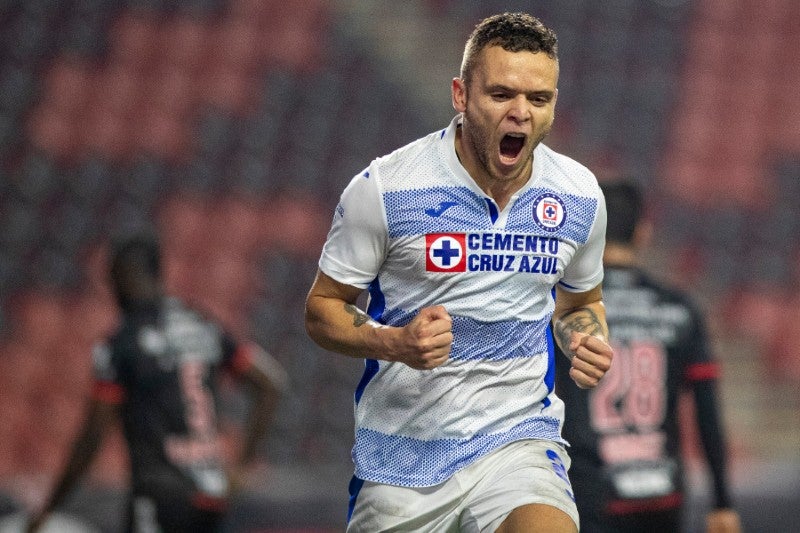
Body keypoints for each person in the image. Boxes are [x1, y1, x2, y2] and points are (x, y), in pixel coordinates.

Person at [305, 12, 613, 533]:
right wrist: (396, 343)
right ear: (460, 96)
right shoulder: (387, 187)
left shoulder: (578, 195)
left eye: (538, 99)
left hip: (518, 442)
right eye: (500, 95)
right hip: (403, 460)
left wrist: (586, 339)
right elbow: (321, 310)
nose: (520, 113)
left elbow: (581, 302)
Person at [27, 233, 287, 533]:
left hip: (159, 496)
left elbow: (92, 436)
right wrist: (241, 466)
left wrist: (50, 507)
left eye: (112, 280)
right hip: (212, 495)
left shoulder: (123, 343)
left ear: (124, 276)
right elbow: (270, 384)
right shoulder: (200, 324)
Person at [554, 179, 742, 533]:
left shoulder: (567, 311)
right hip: (662, 496)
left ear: (589, 235)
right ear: (642, 234)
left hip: (589, 494)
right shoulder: (679, 308)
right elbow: (707, 413)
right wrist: (721, 501)